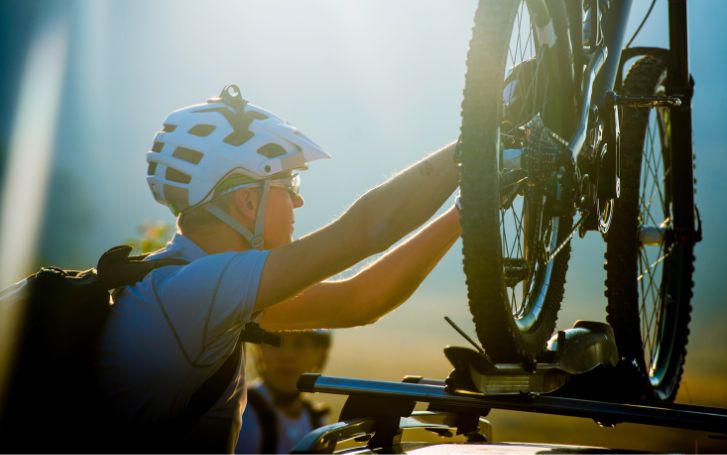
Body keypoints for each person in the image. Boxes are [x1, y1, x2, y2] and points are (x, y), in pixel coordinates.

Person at [95, 84, 461, 452]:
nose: (298, 200)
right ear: (248, 200)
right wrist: (473, 152)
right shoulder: (200, 290)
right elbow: (367, 230)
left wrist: (463, 213)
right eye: (288, 183)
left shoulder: (183, 280)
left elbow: (358, 301)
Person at [235, 330, 333, 454]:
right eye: (276, 342)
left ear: (321, 355)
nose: (287, 355)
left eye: (300, 344)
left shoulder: (317, 421)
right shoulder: (241, 415)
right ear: (260, 351)